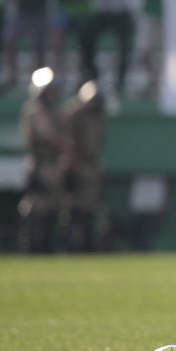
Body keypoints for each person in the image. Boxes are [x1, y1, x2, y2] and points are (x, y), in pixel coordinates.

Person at [18, 67, 68, 253]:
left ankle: (48, 247)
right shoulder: (35, 112)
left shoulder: (55, 111)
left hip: (54, 166)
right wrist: (63, 144)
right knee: (36, 210)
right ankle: (31, 248)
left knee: (54, 210)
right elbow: (49, 137)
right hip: (40, 165)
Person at [63, 80, 105, 252]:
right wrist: (73, 162)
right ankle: (69, 246)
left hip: (90, 165)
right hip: (75, 164)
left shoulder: (98, 115)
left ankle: (86, 246)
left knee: (89, 209)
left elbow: (98, 141)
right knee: (72, 210)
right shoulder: (73, 113)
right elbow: (67, 141)